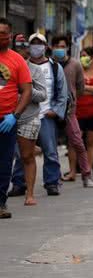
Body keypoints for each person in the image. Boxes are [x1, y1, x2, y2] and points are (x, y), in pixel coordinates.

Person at [8, 34, 68, 197]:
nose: (36, 47)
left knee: (50, 151)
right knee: (22, 152)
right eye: (33, 43)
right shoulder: (22, 65)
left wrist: (55, 111)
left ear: (45, 46)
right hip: (25, 116)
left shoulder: (55, 67)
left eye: (39, 43)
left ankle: (52, 182)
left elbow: (63, 93)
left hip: (46, 115)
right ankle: (19, 183)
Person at [6, 34, 46, 207]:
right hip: (6, 117)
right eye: (18, 47)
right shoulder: (6, 66)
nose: (21, 51)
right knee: (6, 157)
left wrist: (25, 90)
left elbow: (42, 94)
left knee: (27, 156)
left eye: (24, 47)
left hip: (28, 117)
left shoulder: (34, 69)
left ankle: (29, 194)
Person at [52, 35, 93, 188]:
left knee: (78, 142)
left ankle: (86, 175)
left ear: (67, 48)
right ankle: (53, 178)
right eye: (57, 46)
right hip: (50, 111)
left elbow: (80, 88)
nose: (59, 49)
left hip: (69, 111)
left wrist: (71, 99)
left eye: (62, 46)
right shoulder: (49, 64)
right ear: (51, 47)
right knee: (50, 146)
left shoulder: (75, 65)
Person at [0, 19, 32, 219]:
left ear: (10, 36)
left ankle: (0, 203)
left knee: (4, 163)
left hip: (6, 121)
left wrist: (14, 115)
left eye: (4, 33)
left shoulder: (17, 60)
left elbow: (27, 91)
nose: (1, 36)